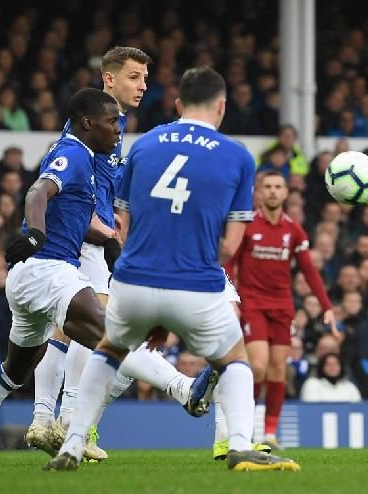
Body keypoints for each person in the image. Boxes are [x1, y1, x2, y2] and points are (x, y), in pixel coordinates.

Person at [44, 67, 299, 472]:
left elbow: (121, 227)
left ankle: (72, 444)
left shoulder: (144, 146)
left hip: (134, 275)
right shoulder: (237, 155)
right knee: (234, 359)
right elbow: (230, 246)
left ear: (178, 105)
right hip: (195, 278)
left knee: (108, 350)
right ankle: (238, 445)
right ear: (222, 106)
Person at [26, 46, 215, 462]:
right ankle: (75, 421)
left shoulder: (115, 125)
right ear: (108, 79)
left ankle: (47, 420)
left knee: (68, 332)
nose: (143, 85)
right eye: (133, 77)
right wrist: (105, 230)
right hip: (79, 239)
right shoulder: (93, 125)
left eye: (145, 78)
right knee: (107, 327)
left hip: (89, 238)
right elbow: (67, 184)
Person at [0, 88, 122, 466]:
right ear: (88, 122)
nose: (117, 129)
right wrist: (35, 233)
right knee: (112, 339)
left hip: (30, 276)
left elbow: (71, 217)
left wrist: (107, 240)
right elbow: (37, 192)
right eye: (112, 122)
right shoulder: (74, 154)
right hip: (49, 269)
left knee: (13, 372)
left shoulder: (87, 159)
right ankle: (174, 392)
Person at [221, 169, 338, 454]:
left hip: (283, 305)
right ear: (258, 192)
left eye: (278, 186)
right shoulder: (247, 225)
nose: (273, 191)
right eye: (268, 186)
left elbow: (309, 271)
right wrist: (230, 297)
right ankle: (243, 431)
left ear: (286, 192)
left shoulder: (293, 229)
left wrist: (327, 307)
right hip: (252, 303)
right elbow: (228, 263)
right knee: (257, 366)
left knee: (277, 370)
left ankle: (270, 434)